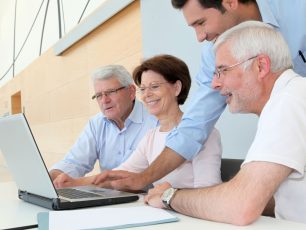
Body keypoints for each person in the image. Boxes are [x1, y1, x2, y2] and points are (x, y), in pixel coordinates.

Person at [94, 0, 306, 192]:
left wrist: (168, 196)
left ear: (230, 2)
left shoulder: (298, 10)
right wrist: (143, 179)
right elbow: (194, 126)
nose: (200, 36)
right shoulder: (213, 52)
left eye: (201, 23)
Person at [144, 21, 306, 225]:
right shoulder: (293, 96)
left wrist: (169, 196)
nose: (215, 83)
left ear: (261, 66)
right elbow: (279, 199)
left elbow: (240, 208)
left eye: (223, 70)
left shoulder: (289, 101)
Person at [53, 55, 222, 189]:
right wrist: (73, 183)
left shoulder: (205, 134)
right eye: (143, 88)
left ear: (176, 88)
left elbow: (209, 192)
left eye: (154, 86)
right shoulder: (151, 137)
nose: (147, 94)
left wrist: (167, 197)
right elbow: (120, 176)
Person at [49, 65, 158, 181]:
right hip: (108, 196)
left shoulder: (155, 121)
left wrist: (78, 183)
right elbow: (75, 162)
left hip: (145, 197)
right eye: (99, 95)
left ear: (131, 92)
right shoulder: (96, 123)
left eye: (111, 92)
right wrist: (53, 176)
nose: (104, 101)